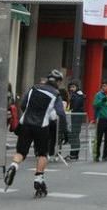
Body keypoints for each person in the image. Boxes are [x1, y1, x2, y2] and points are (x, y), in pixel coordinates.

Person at [4, 69, 67, 197]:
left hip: (26, 124)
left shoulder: (34, 88)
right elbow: (60, 113)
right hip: (41, 126)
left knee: (21, 152)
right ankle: (38, 179)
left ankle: (13, 166)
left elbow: (22, 104)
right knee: (42, 153)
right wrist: (63, 129)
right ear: (59, 82)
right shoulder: (56, 94)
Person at [66, 81, 86, 160]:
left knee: (74, 135)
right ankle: (73, 154)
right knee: (73, 136)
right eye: (70, 87)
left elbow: (75, 106)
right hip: (74, 117)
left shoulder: (78, 95)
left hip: (76, 117)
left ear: (77, 87)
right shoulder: (77, 95)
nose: (71, 89)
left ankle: (74, 154)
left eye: (73, 87)